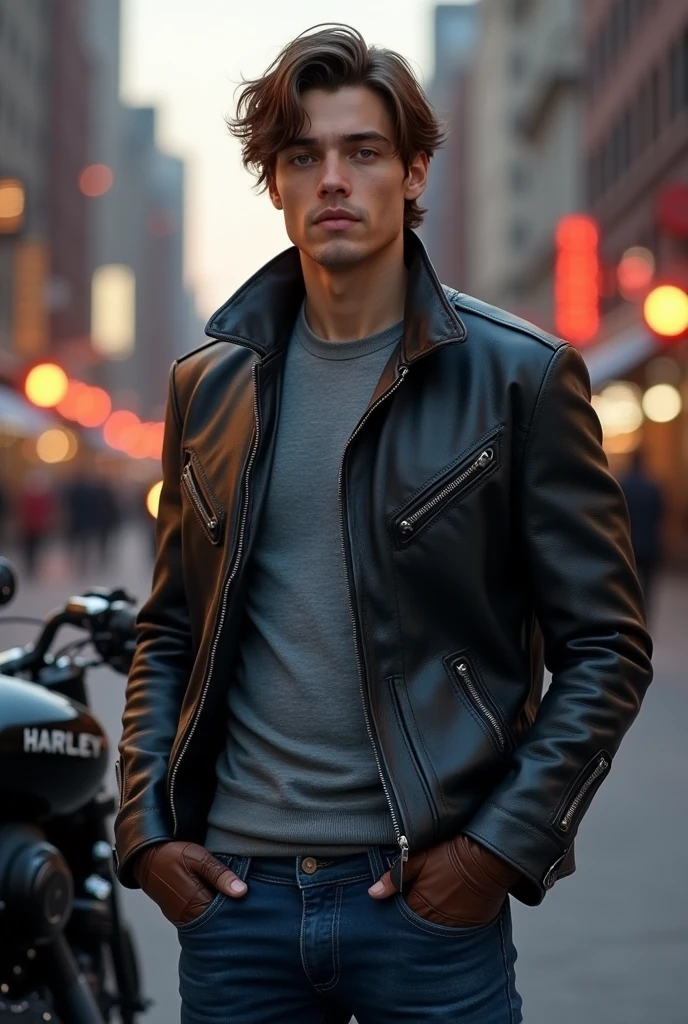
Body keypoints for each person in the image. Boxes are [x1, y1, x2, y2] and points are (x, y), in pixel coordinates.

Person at [113, 25, 652, 1023]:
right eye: (303, 155)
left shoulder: (520, 376)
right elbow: (170, 628)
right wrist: (144, 833)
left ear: (413, 174)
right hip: (236, 902)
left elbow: (606, 645)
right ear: (274, 184)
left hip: (422, 901)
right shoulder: (208, 385)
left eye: (362, 152)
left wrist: (495, 851)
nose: (332, 179)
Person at [619, 449, 664, 617]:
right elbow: (660, 514)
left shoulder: (622, 485)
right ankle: (645, 613)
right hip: (649, 541)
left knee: (628, 580)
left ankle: (630, 613)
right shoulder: (653, 487)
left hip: (627, 541)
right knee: (648, 582)